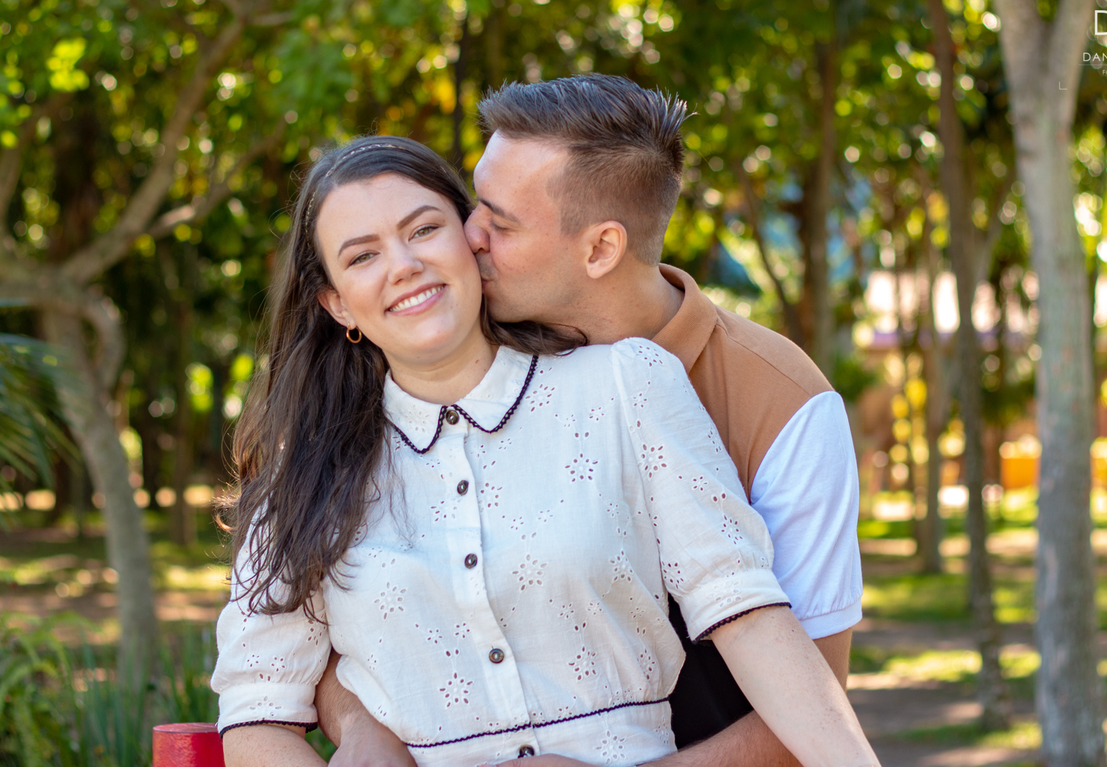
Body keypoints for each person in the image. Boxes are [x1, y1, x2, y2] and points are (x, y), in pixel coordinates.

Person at [211, 135, 878, 767]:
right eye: (362, 257)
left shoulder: (628, 385)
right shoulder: (299, 479)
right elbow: (255, 714)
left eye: (423, 230)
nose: (404, 265)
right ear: (337, 305)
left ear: (470, 240)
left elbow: (746, 613)